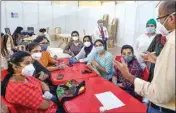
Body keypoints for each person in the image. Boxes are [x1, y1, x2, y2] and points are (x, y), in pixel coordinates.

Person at [113, 1, 175, 113]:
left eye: (159, 19)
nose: (160, 22)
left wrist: (128, 76)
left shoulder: (171, 43)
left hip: (163, 108)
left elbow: (160, 95)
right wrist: (157, 60)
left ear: (171, 18)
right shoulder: (148, 38)